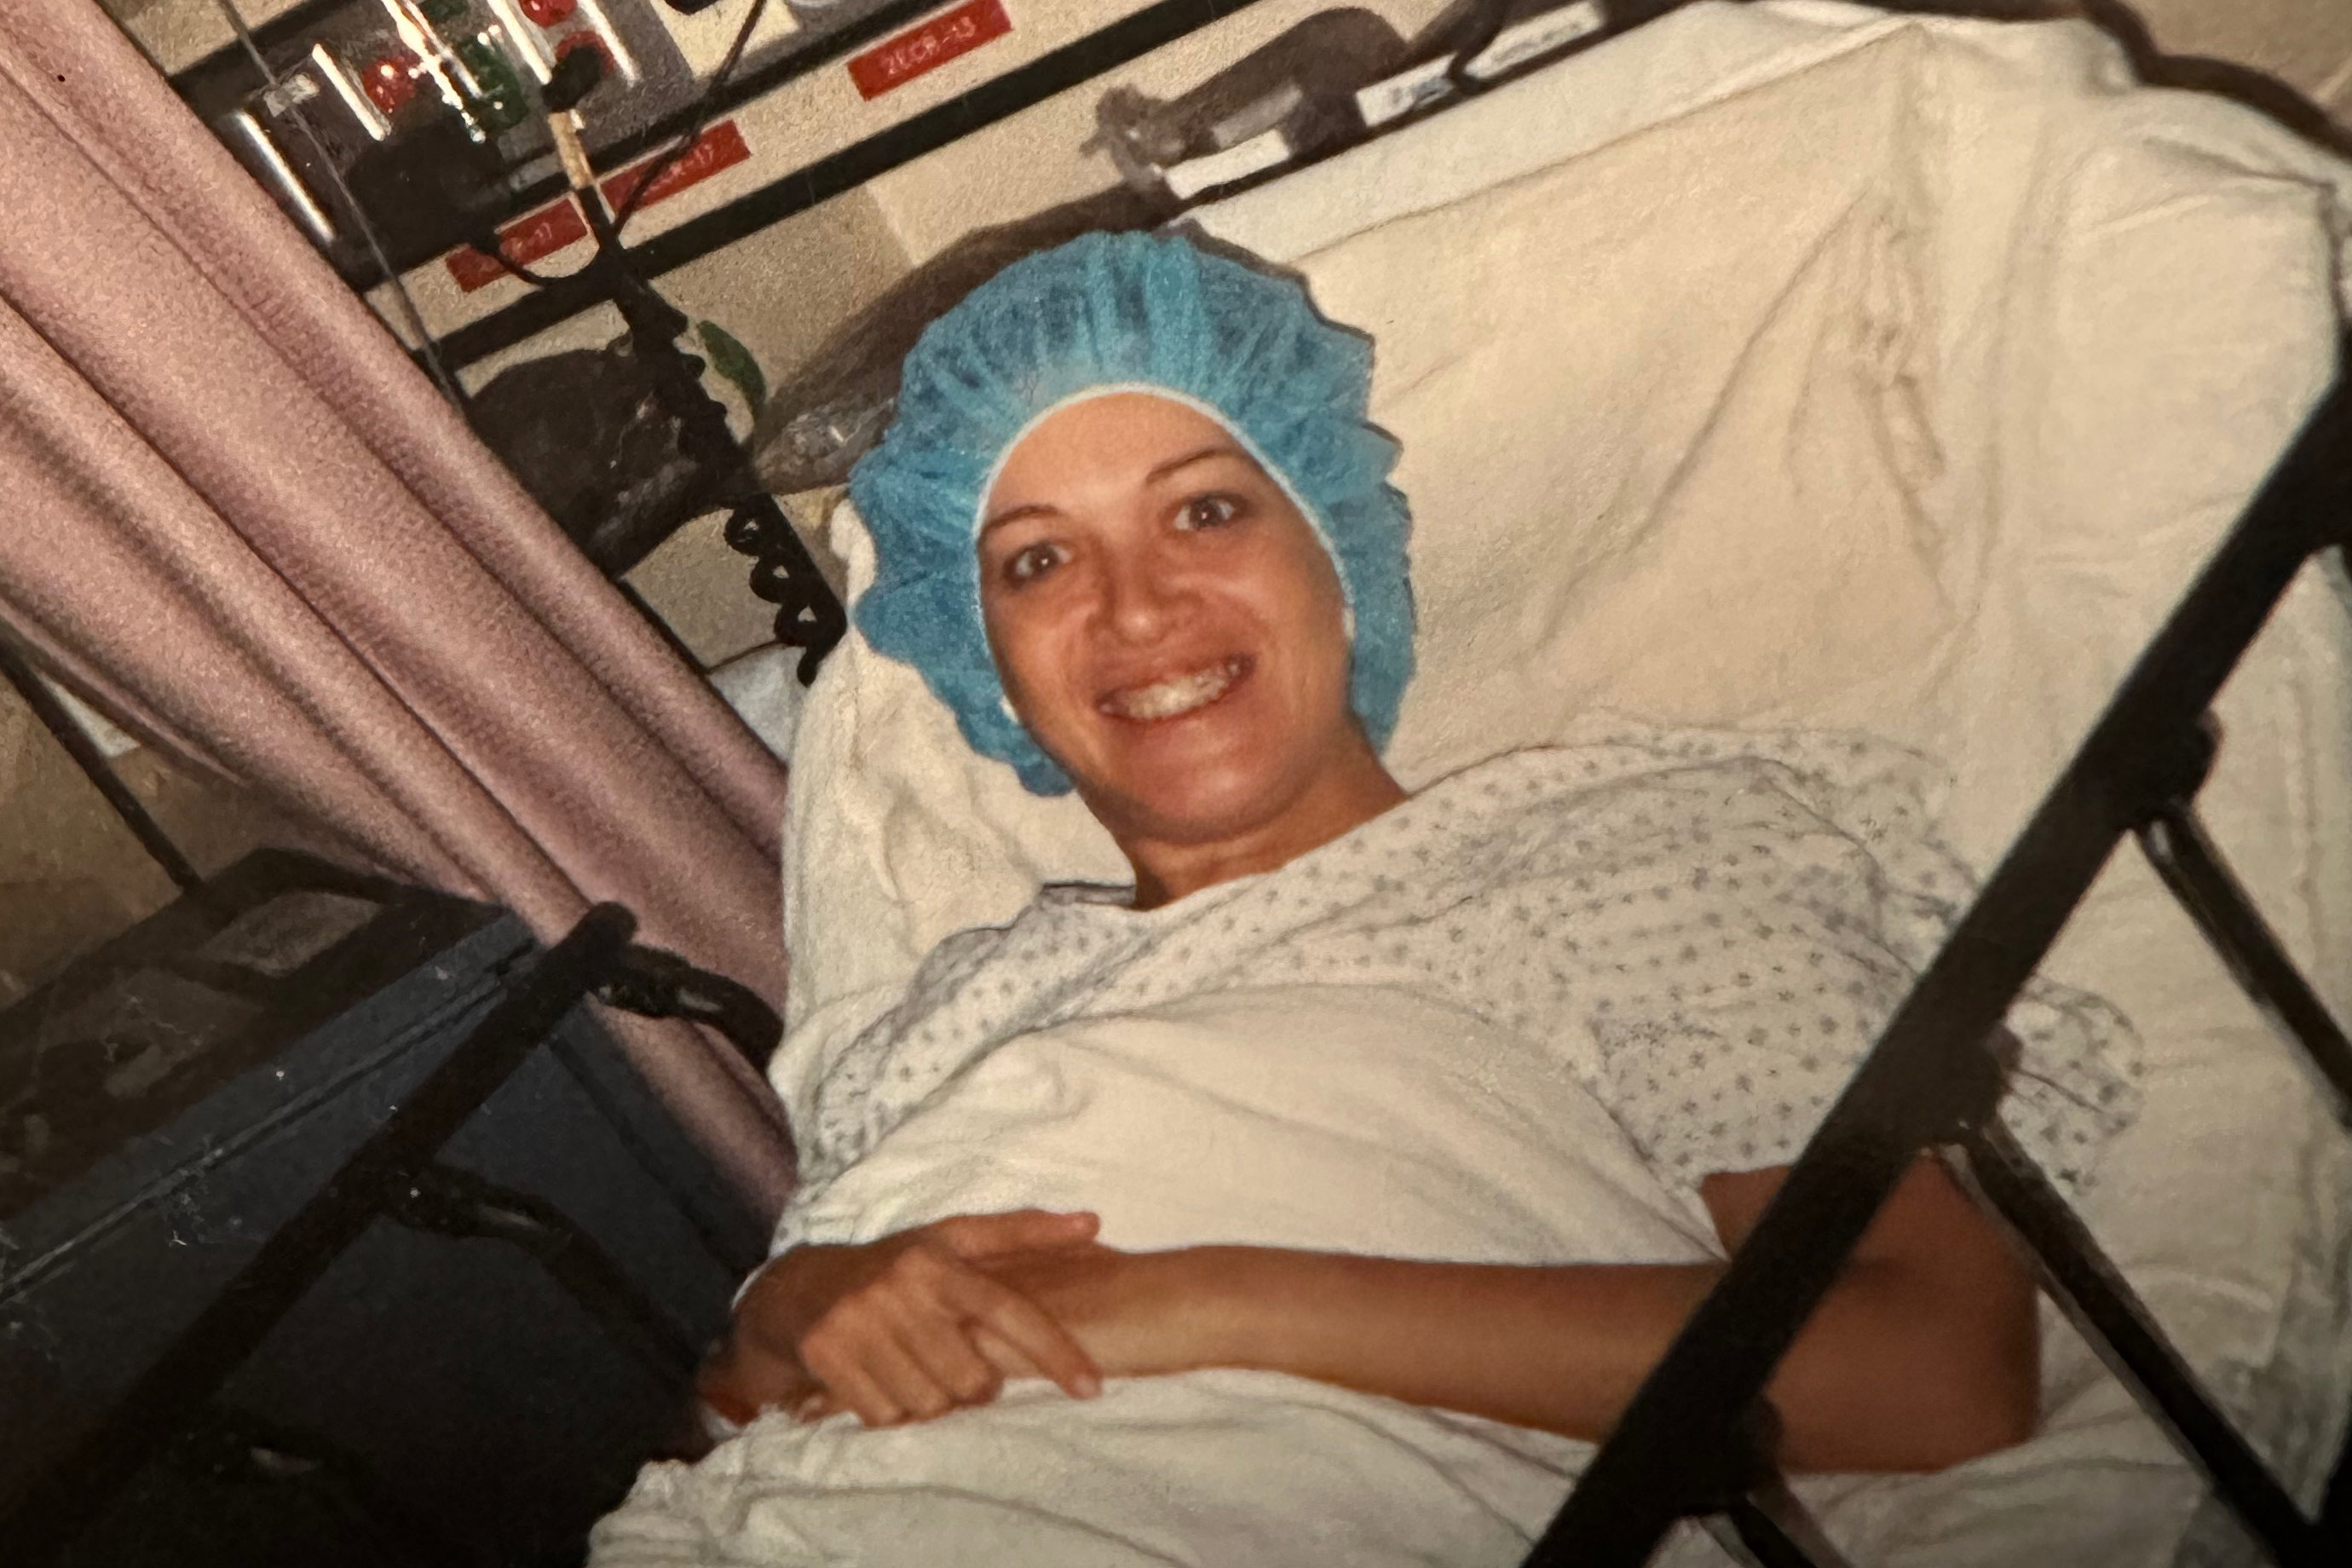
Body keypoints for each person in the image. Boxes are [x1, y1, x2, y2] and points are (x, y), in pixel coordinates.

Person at [595, 232, 2141, 1565]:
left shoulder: (1613, 858)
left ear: (1336, 545)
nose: (1136, 610)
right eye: (1039, 560)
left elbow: (1936, 1368)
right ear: (980, 652)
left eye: (1203, 511)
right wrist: (793, 1313)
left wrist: (1187, 1303)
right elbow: (741, 1430)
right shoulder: (955, 1005)